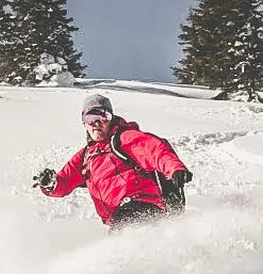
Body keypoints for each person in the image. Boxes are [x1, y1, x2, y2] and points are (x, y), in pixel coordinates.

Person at [33, 94, 193, 231]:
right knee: (124, 242)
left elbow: (154, 149)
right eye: (90, 118)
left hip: (141, 205)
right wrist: (50, 184)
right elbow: (64, 182)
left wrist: (174, 168)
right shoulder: (85, 157)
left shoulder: (123, 138)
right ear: (84, 123)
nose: (96, 123)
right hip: (119, 217)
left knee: (124, 240)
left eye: (103, 117)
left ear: (111, 119)